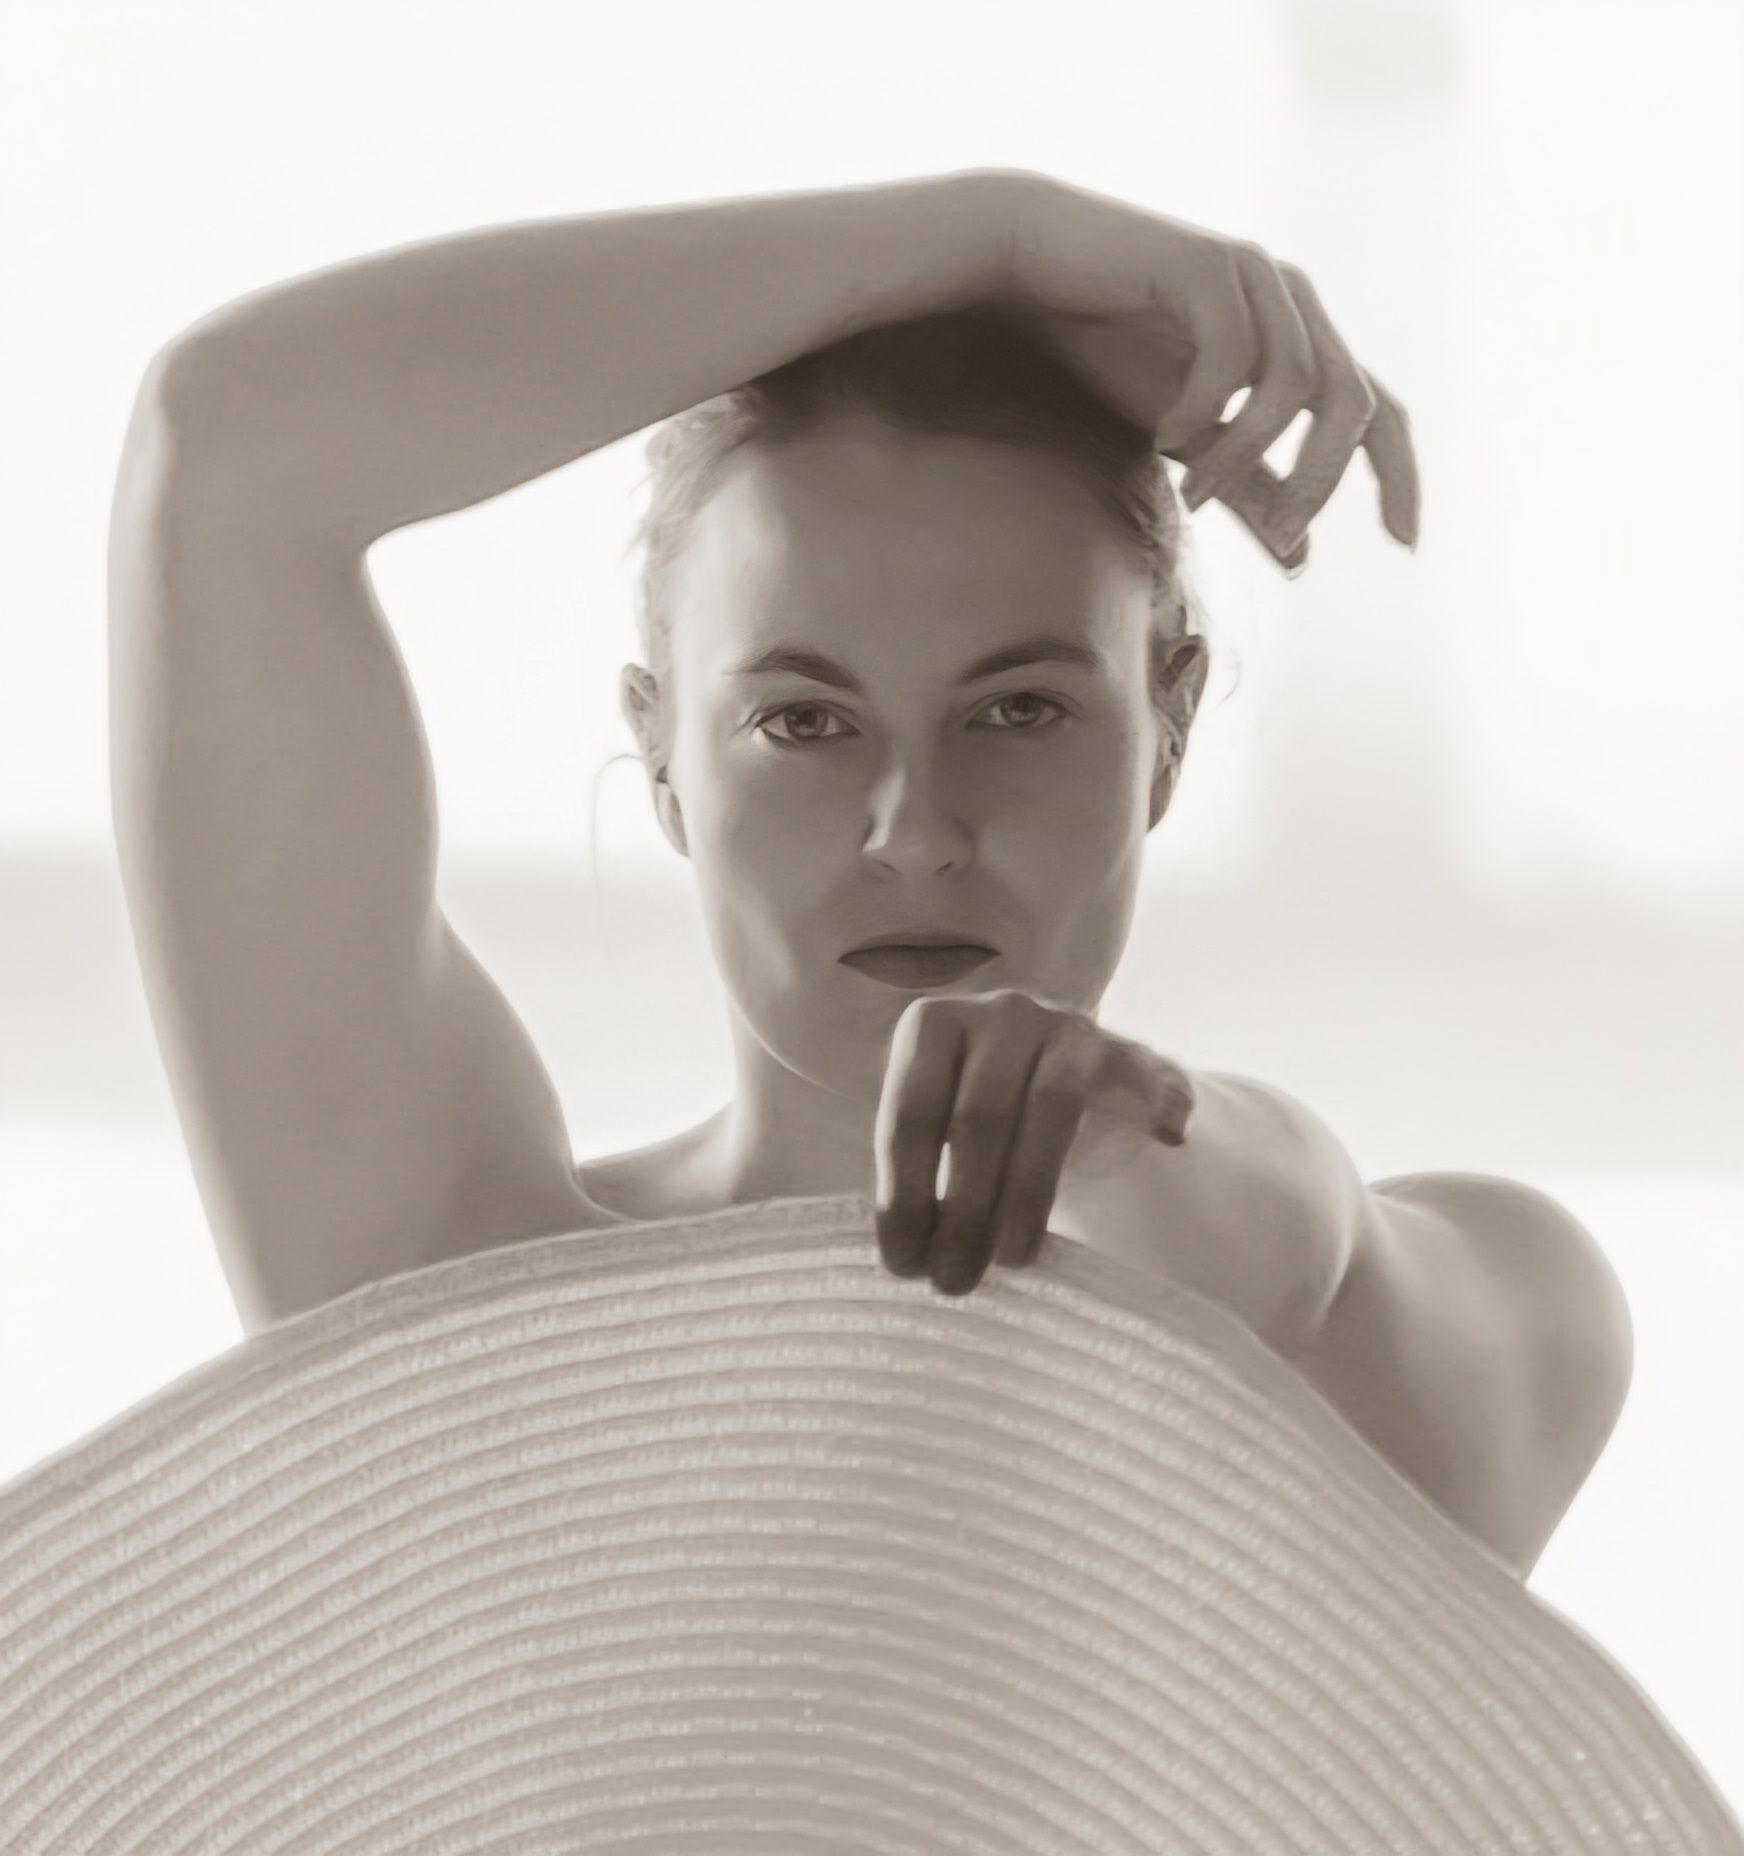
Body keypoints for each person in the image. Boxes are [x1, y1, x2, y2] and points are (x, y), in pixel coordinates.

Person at [109, 169, 1628, 1580]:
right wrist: (996, 237)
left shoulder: (1452, 1326)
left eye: (1017, 711)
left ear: (1167, 723)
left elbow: (1287, 1248)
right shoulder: (473, 1313)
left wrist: (1120, 1141)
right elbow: (226, 440)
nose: (916, 830)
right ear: (663, 756)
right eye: (803, 723)